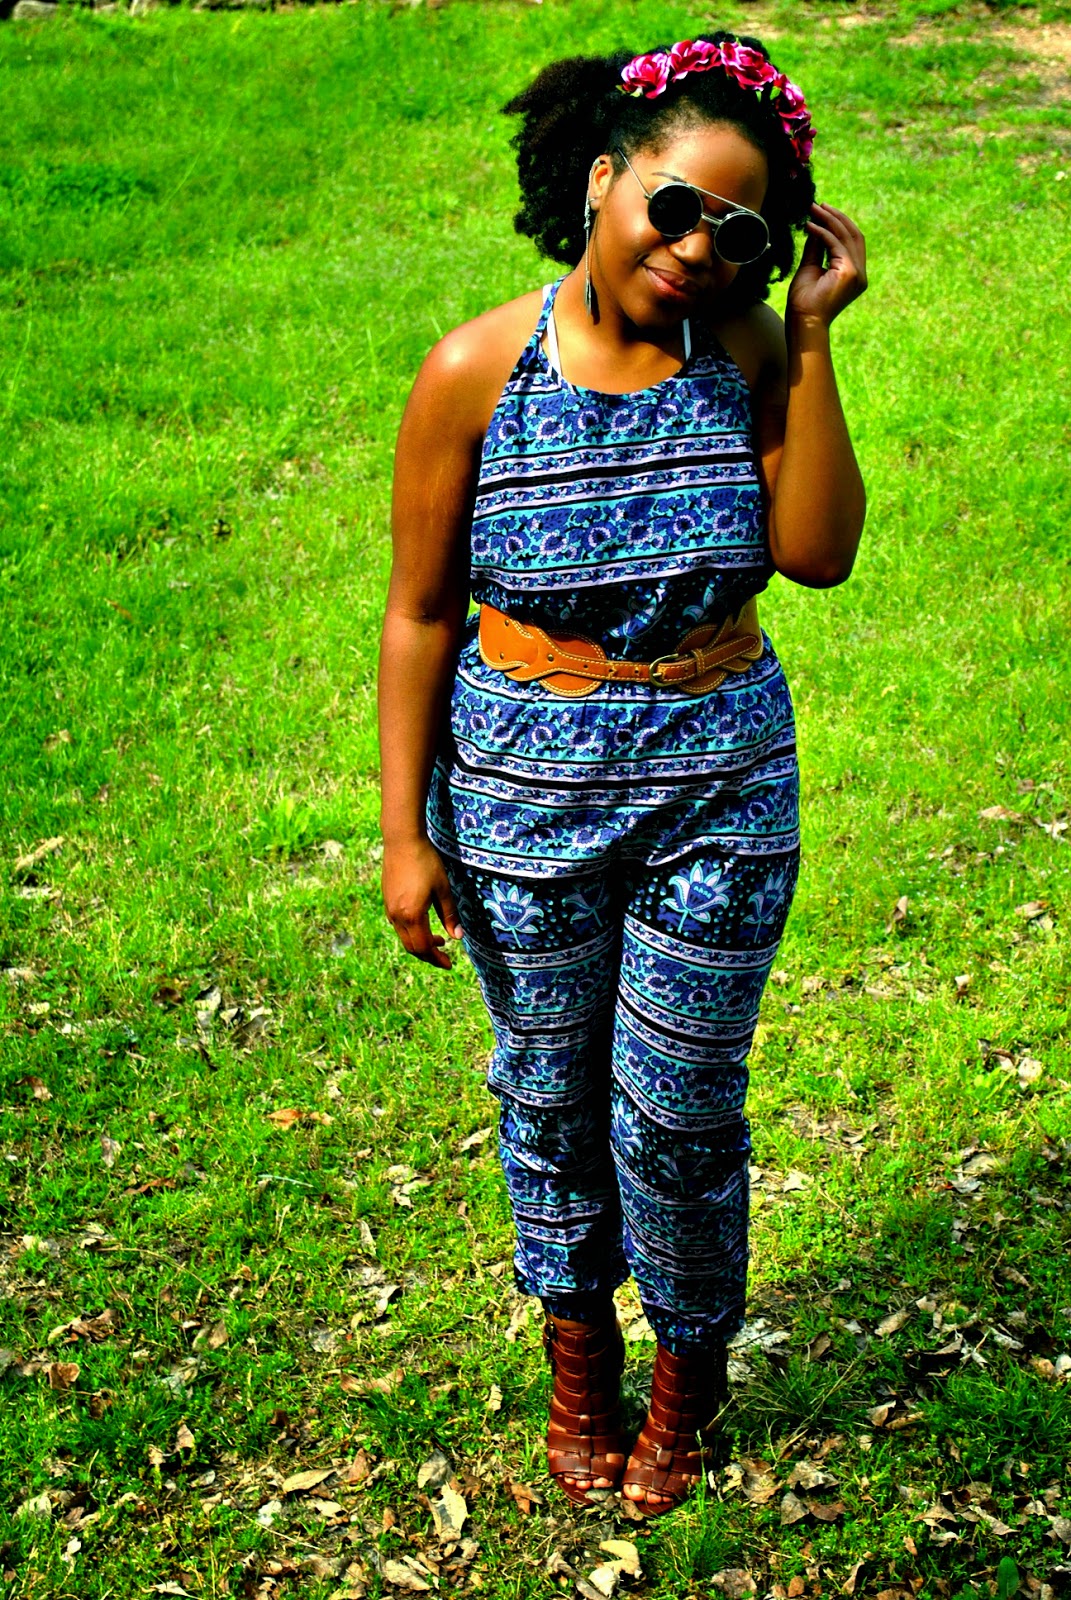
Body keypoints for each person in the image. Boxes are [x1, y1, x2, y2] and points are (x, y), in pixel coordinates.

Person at [378, 30, 866, 1516]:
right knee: (550, 1091)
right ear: (604, 180)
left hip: (720, 783)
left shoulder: (750, 352)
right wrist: (402, 833)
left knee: (682, 1105)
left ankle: (687, 1376)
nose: (701, 249)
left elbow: (817, 554)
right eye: (676, 207)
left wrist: (813, 332)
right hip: (521, 801)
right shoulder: (475, 371)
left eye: (743, 233)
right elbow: (418, 614)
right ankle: (580, 1353)